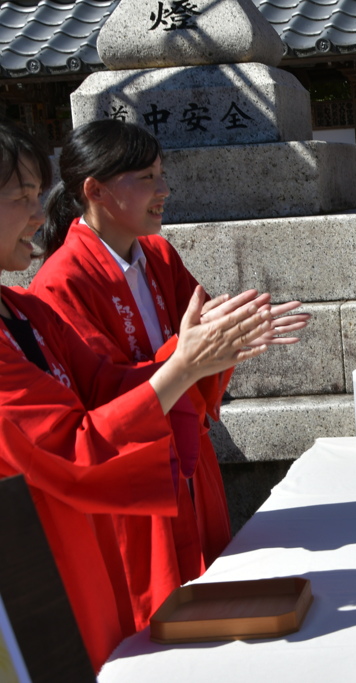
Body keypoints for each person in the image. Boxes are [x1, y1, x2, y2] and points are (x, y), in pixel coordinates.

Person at [0, 117, 299, 671]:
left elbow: (113, 386)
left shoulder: (28, 311)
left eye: (38, 195)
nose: (40, 214)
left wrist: (209, 354)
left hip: (140, 478)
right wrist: (184, 364)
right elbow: (74, 440)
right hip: (56, 540)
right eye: (22, 197)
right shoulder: (58, 284)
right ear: (97, 190)